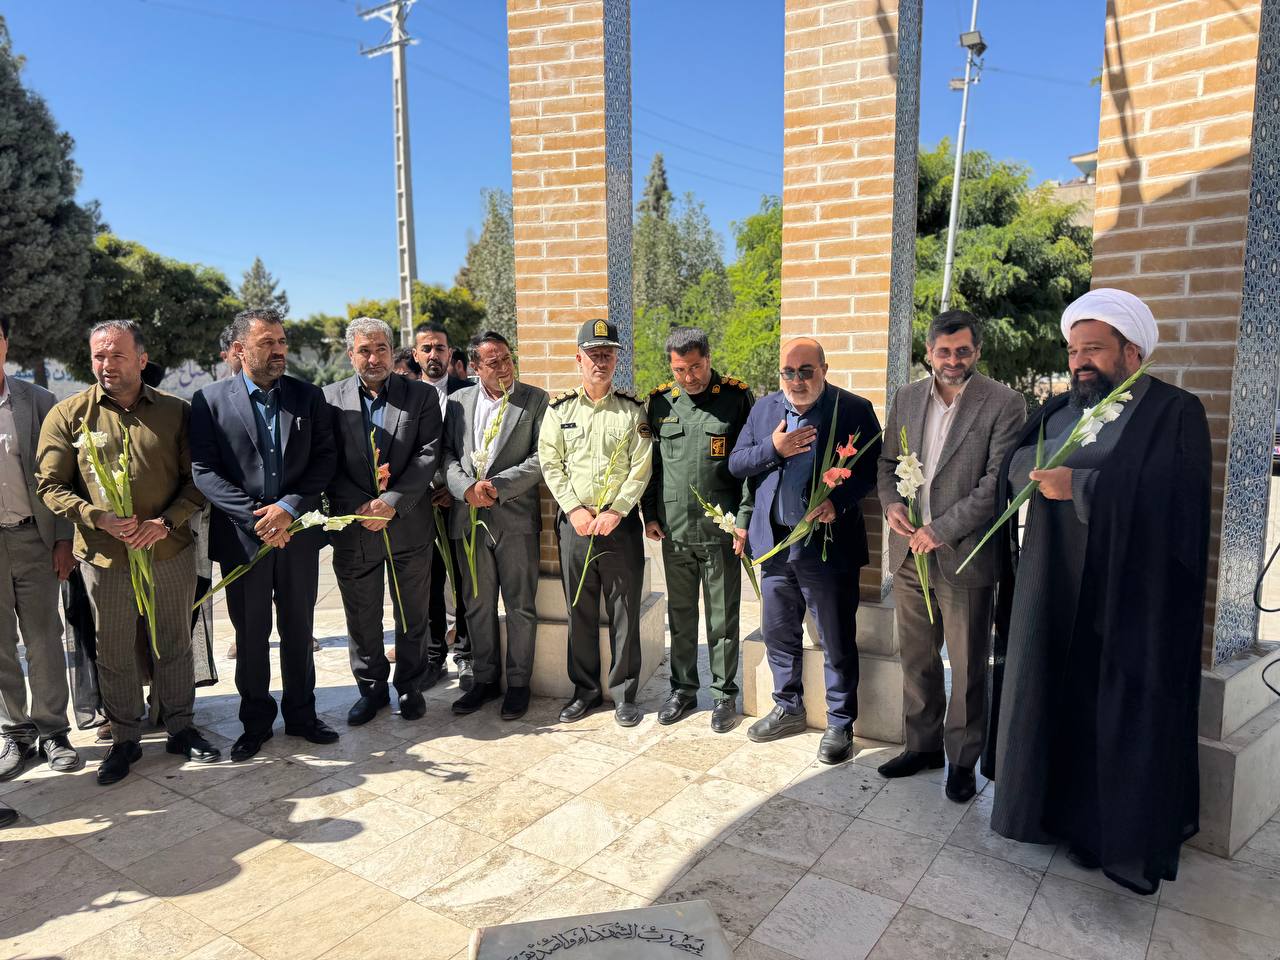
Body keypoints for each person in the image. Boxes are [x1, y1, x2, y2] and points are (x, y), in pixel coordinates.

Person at [986, 288, 1211, 896]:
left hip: (1124, 596)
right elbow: (1015, 465)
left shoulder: (1173, 411)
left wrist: (1082, 487)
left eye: (1094, 349)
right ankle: (1038, 812)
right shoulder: (1062, 408)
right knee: (1043, 693)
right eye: (1073, 351)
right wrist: (1032, 477)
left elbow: (1175, 501)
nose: (1080, 361)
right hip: (1052, 586)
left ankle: (1096, 830)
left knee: (1103, 709)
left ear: (1131, 351)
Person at [36, 320, 219, 785]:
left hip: (168, 550)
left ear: (141, 359)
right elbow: (50, 485)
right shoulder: (69, 415)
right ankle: (124, 738)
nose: (107, 365)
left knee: (174, 642)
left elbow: (198, 479)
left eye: (117, 355)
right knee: (113, 649)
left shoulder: (176, 412)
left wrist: (165, 523)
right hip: (105, 558)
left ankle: (180, 727)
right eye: (99, 356)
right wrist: (96, 517)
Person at [874, 311, 1025, 802]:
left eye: (963, 351)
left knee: (966, 666)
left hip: (965, 554)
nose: (953, 360)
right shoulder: (907, 397)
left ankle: (962, 759)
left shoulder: (1004, 403)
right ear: (929, 352)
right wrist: (892, 505)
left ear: (977, 351)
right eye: (944, 351)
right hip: (908, 554)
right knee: (917, 658)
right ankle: (922, 747)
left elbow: (997, 484)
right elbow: (887, 464)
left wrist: (940, 530)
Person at [190, 308, 338, 762]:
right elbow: (204, 471)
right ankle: (255, 724)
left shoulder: (308, 396)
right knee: (251, 636)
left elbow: (324, 460)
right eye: (267, 342)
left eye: (282, 341)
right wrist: (257, 518)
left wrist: (288, 509)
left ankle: (302, 715)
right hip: (244, 540)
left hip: (297, 536)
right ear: (239, 349)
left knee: (299, 629)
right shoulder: (209, 400)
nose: (279, 350)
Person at [728, 337, 881, 764]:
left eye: (806, 371)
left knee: (835, 637)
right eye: (788, 372)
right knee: (778, 632)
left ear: (824, 370)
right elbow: (737, 463)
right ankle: (788, 707)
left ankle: (840, 722)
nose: (797, 381)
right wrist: (773, 449)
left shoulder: (852, 410)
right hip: (775, 546)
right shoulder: (764, 410)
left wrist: (839, 502)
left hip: (828, 549)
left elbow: (871, 470)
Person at [324, 318, 441, 724]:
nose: (373, 358)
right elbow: (325, 461)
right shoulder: (330, 399)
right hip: (355, 527)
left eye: (381, 349)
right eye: (364, 350)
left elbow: (428, 453)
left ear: (393, 352)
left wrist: (391, 502)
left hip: (408, 524)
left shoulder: (421, 395)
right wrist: (362, 506)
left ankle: (410, 686)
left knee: (412, 613)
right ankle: (371, 690)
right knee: (362, 616)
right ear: (350, 354)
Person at [538, 319, 653, 727]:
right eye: (593, 354)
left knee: (624, 611)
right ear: (579, 359)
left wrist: (616, 510)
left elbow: (641, 467)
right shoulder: (559, 411)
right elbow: (550, 463)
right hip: (576, 525)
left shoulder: (633, 410)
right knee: (579, 611)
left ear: (617, 359)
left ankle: (624, 694)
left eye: (607, 354)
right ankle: (584, 690)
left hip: (619, 526)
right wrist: (574, 509)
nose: (600, 361)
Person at [641, 328, 754, 733]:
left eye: (695, 367)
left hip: (720, 529)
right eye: (679, 370)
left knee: (722, 618)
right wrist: (650, 514)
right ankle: (683, 690)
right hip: (674, 529)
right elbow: (651, 465)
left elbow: (749, 466)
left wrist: (744, 519)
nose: (688, 377)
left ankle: (724, 694)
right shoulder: (660, 402)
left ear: (708, 359)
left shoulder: (736, 398)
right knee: (682, 615)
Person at [443, 331, 548, 720]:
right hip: (468, 520)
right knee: (477, 604)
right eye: (494, 362)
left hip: (515, 519)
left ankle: (518, 684)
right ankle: (485, 680)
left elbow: (541, 458)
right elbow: (447, 455)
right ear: (474, 367)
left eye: (507, 358)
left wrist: (497, 487)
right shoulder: (458, 403)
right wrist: (465, 489)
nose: (504, 367)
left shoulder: (535, 400)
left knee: (520, 605)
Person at [0, 317, 80, 781]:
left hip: (35, 538)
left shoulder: (39, 401)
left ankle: (53, 730)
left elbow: (63, 478)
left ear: (6, 343)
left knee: (45, 637)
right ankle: (15, 731)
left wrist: (65, 538)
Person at [414, 322, 472, 688]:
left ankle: (465, 653)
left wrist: (455, 488)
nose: (434, 354)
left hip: (459, 502)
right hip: (419, 505)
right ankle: (434, 656)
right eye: (427, 348)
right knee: (429, 582)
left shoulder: (468, 393)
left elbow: (475, 447)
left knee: (464, 579)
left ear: (450, 353)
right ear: (416, 354)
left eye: (440, 348)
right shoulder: (405, 394)